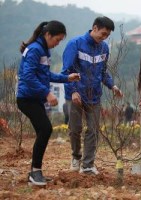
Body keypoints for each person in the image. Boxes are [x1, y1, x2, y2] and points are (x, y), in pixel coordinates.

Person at [16, 21, 80, 186]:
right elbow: (28, 76)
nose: (57, 43)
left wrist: (66, 78)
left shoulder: (43, 50)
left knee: (43, 131)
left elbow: (45, 75)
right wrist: (47, 92)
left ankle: (35, 172)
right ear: (48, 35)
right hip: (26, 98)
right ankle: (35, 172)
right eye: (57, 39)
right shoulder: (36, 50)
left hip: (34, 98)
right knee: (46, 129)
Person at [61, 16, 123, 175]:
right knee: (75, 129)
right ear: (94, 28)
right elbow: (67, 71)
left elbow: (103, 73)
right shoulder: (75, 44)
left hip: (94, 95)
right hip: (76, 94)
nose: (104, 38)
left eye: (107, 36)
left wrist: (112, 86)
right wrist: (73, 90)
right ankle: (76, 157)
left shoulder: (104, 48)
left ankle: (88, 164)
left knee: (93, 130)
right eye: (102, 34)